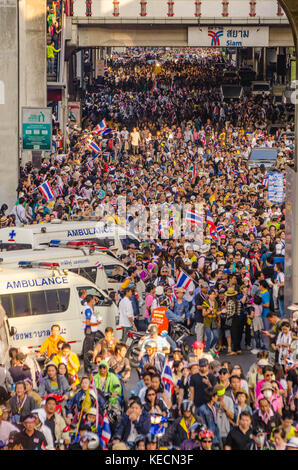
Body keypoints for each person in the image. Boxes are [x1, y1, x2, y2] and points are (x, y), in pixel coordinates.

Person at [81, 294, 102, 373]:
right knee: (87, 349)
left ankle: (89, 365)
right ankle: (87, 367)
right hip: (89, 330)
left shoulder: (91, 308)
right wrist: (97, 323)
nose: (95, 300)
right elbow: (88, 322)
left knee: (90, 348)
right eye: (93, 299)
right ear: (91, 300)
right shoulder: (87, 310)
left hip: (92, 331)